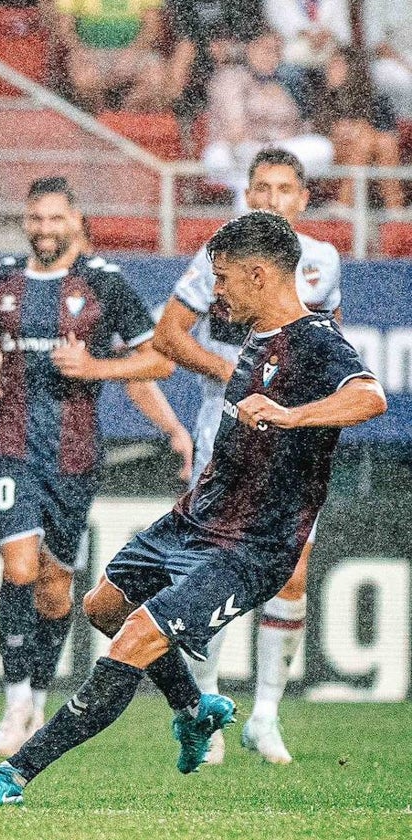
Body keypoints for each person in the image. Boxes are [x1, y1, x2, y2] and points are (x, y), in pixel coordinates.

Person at [0, 209, 387, 806]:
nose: (218, 291)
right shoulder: (256, 341)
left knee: (134, 641)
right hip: (197, 518)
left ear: (259, 276)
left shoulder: (316, 341)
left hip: (254, 544)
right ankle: (191, 708)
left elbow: (369, 397)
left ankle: (12, 776)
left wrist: (292, 415)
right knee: (103, 606)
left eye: (225, 279)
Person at [0, 177, 175, 757]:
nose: (44, 229)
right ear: (25, 221)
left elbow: (158, 360)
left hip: (75, 457)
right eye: (35, 219)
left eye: (54, 219)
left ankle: (38, 695)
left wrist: (97, 372)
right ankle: (16, 699)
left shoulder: (106, 284)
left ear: (76, 219)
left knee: (56, 593)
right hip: (10, 448)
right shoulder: (1, 279)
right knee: (18, 568)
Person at [153, 147, 341, 765]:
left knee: (291, 572)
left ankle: (265, 716)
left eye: (284, 188)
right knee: (216, 569)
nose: (270, 199)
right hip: (228, 434)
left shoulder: (323, 261)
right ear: (247, 192)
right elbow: (168, 335)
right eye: (260, 187)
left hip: (294, 444)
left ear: (302, 198)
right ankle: (206, 708)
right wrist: (237, 372)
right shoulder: (220, 258)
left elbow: (327, 344)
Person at [201, 29, 334, 209]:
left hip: (270, 152)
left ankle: (261, 187)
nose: (272, 56)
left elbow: (297, 129)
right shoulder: (230, 77)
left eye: (277, 51)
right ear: (250, 49)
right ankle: (259, 197)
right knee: (221, 157)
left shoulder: (282, 83)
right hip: (234, 153)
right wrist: (268, 138)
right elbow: (235, 131)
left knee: (322, 148)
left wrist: (272, 143)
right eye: (267, 50)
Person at [312, 46, 405, 212]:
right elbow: (316, 138)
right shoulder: (321, 96)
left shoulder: (376, 100)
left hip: (369, 163)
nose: (329, 70)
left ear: (352, 70)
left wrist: (359, 130)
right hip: (332, 161)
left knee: (383, 141)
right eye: (330, 65)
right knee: (366, 136)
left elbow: (391, 138)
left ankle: (389, 209)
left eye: (337, 65)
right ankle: (394, 208)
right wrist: (340, 132)